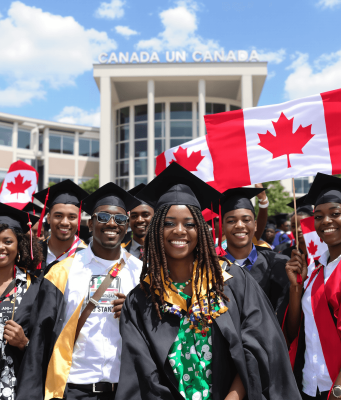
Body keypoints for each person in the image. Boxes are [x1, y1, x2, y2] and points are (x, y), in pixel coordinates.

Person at [116, 162, 301, 400]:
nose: (179, 230)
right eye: (169, 223)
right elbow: (140, 373)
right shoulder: (142, 298)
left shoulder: (231, 282)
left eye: (189, 223)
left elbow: (261, 347)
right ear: (156, 230)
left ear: (201, 230)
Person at [16, 182, 143, 400]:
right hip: (74, 389)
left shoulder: (141, 273)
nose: (112, 224)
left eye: (120, 219)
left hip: (127, 390)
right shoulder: (62, 272)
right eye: (103, 217)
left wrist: (135, 315)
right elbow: (41, 339)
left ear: (126, 225)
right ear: (91, 223)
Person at [285, 172, 341, 400]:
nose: (325, 221)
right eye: (318, 216)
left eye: (335, 214)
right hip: (310, 385)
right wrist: (296, 287)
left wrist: (338, 390)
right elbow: (294, 331)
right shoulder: (317, 270)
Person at [216, 187, 290, 323]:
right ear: (222, 227)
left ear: (255, 225)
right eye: (231, 221)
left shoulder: (278, 264)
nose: (239, 225)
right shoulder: (212, 268)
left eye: (246, 220)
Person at [0, 203, 43, 400]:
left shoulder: (34, 287)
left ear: (20, 246)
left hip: (14, 386)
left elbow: (46, 342)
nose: (1, 247)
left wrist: (24, 343)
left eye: (7, 241)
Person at [33, 180, 88, 275]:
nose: (65, 222)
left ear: (79, 220)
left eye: (72, 217)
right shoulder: (34, 253)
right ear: (49, 218)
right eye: (58, 216)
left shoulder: (88, 255)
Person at [122, 183, 155, 260]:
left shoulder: (167, 252)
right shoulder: (119, 252)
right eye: (134, 216)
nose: (139, 220)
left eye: (145, 215)